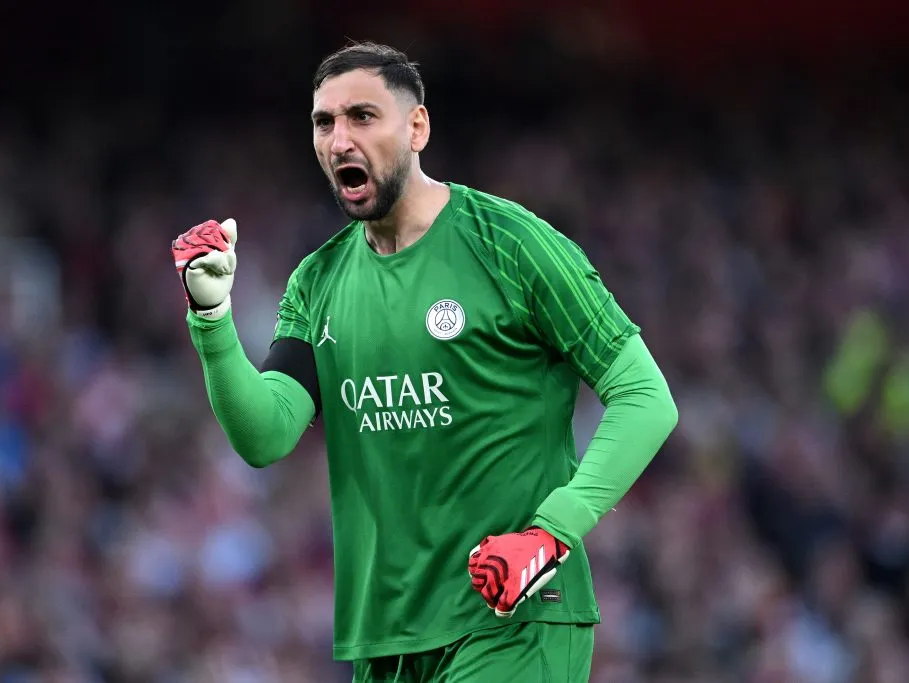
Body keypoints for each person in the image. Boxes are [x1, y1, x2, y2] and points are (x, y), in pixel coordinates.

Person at [171, 41, 678, 683]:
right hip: (386, 637)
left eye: (362, 116)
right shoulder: (317, 281)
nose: (339, 140)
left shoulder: (511, 244)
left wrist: (551, 533)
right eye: (324, 123)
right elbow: (267, 434)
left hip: (514, 622)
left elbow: (645, 398)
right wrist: (212, 322)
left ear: (418, 128)